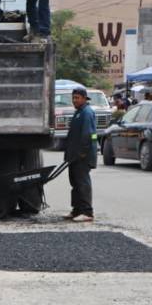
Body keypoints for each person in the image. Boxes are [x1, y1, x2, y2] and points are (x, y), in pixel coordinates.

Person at [64, 87, 96, 223]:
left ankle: (87, 212)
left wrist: (82, 153)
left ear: (84, 98)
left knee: (82, 183)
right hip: (74, 155)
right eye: (73, 98)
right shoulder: (79, 112)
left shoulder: (87, 113)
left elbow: (88, 135)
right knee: (75, 183)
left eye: (77, 98)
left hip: (83, 155)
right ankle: (77, 209)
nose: (74, 100)